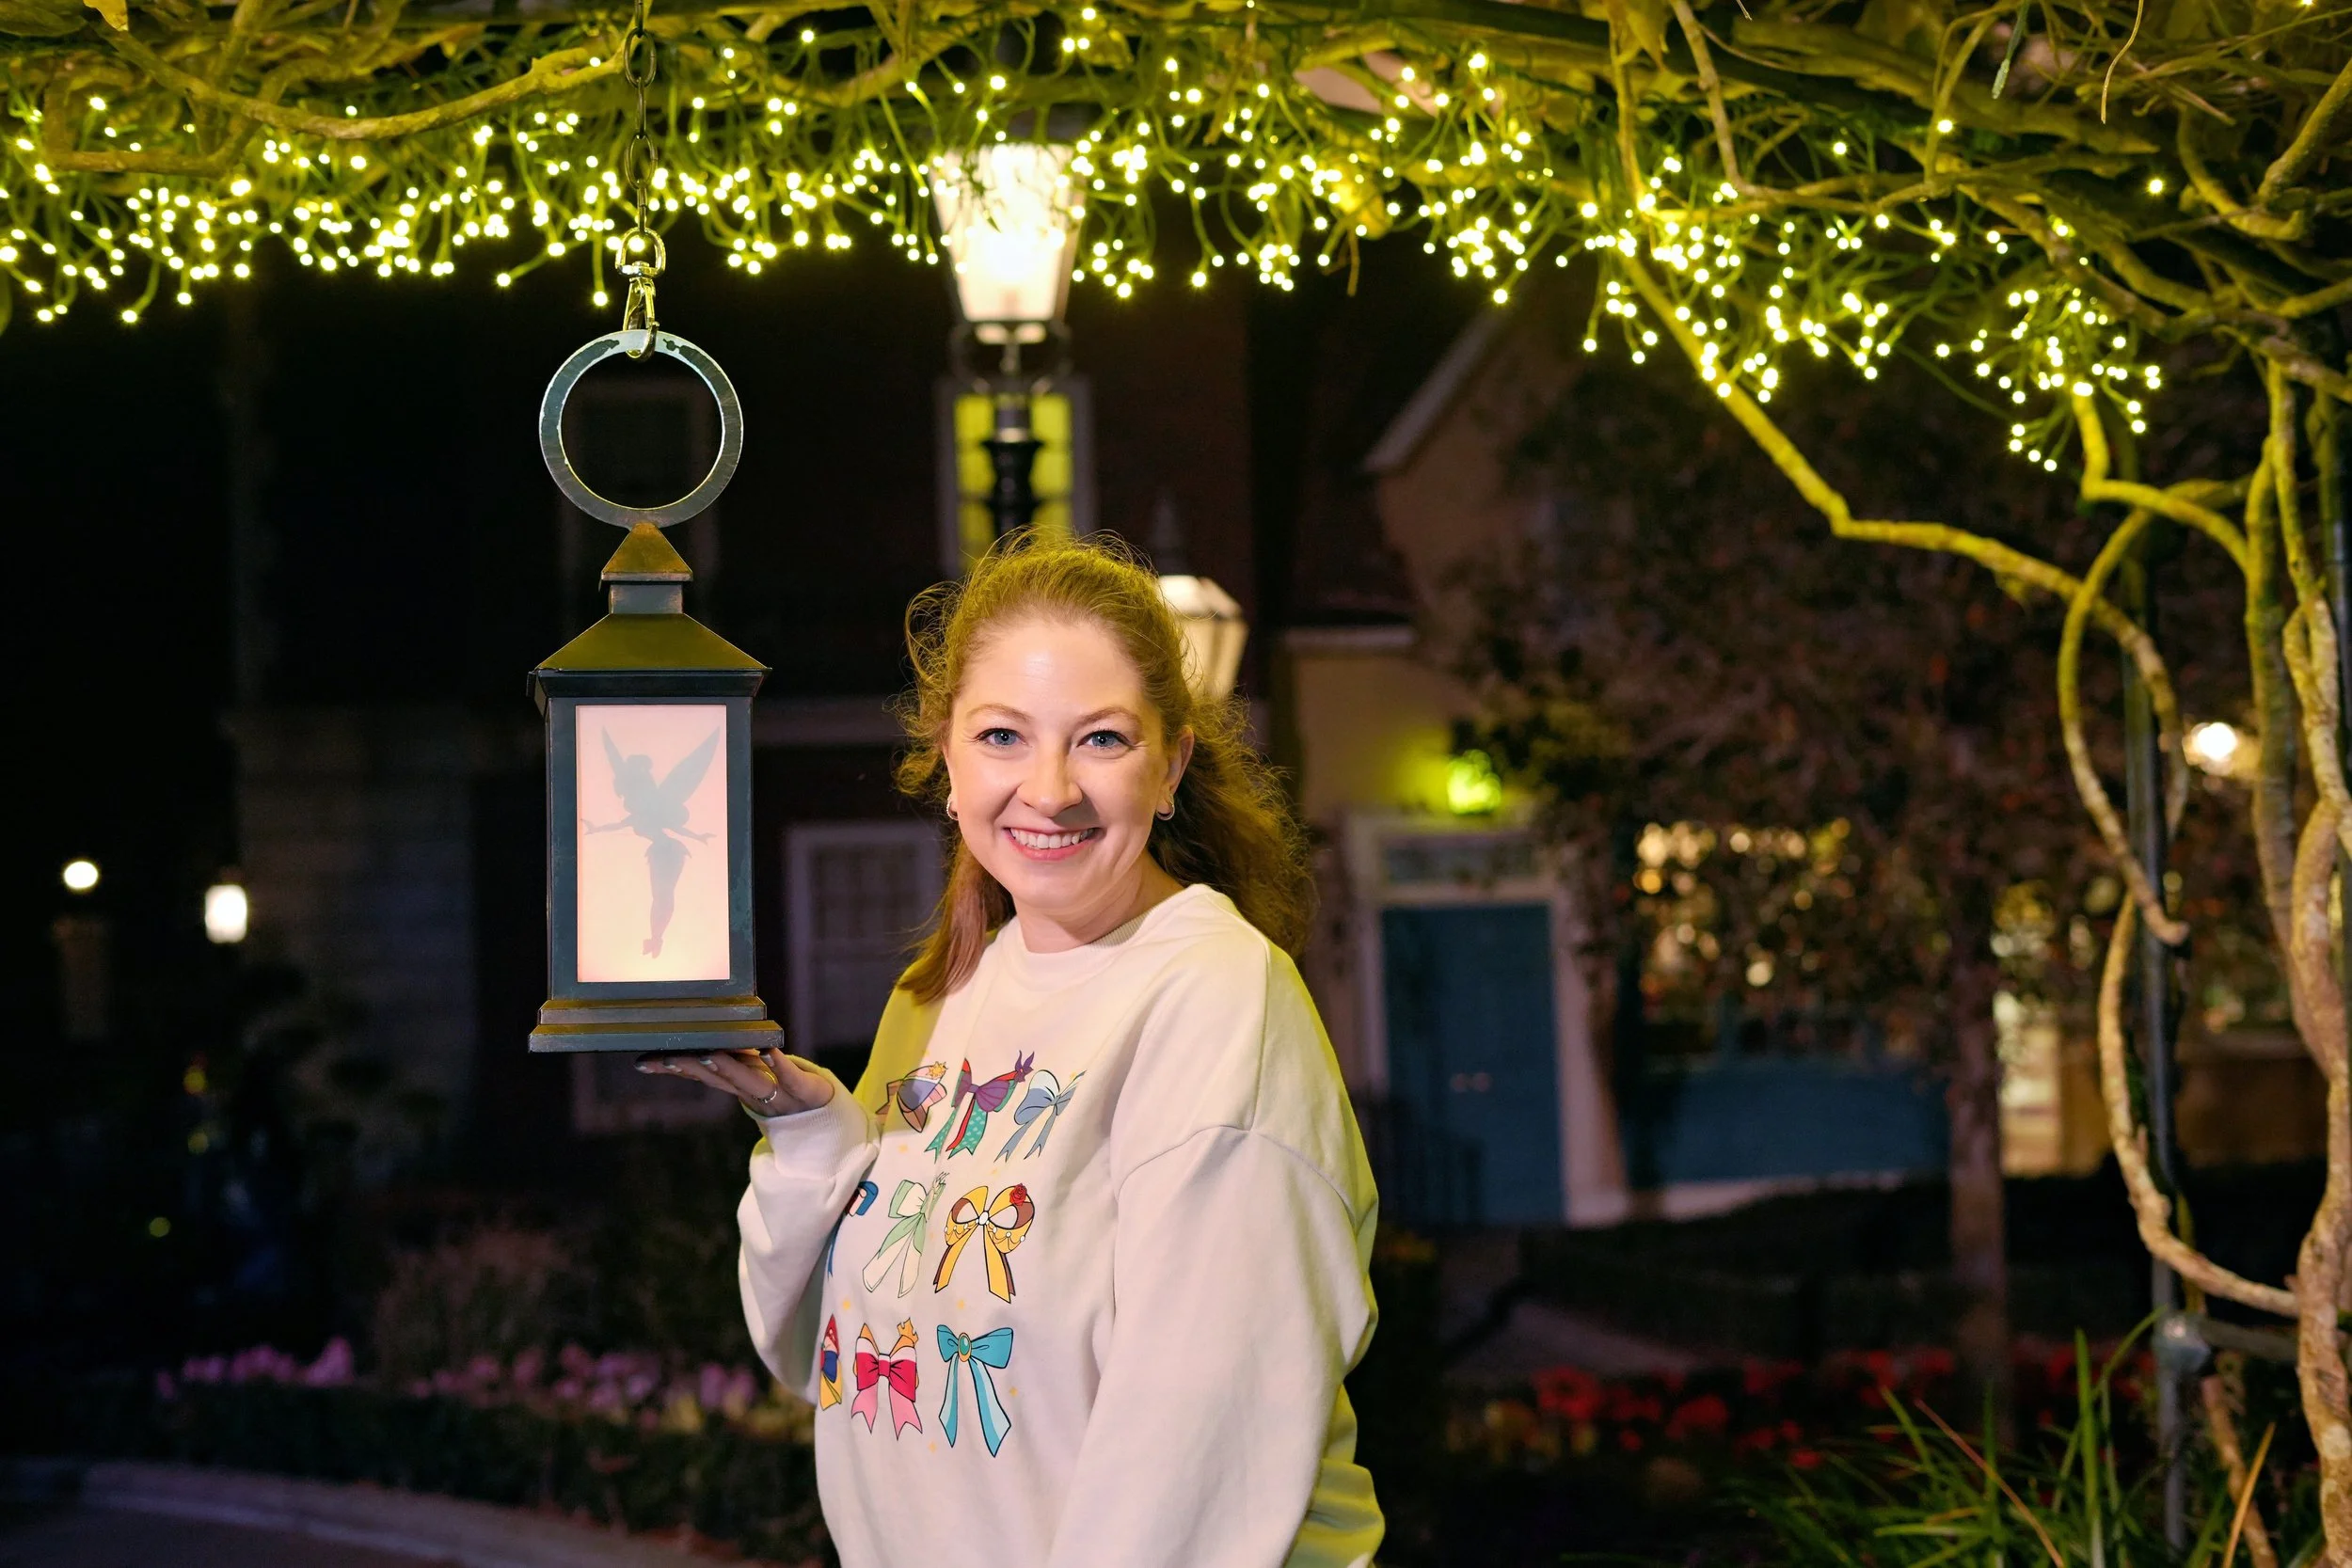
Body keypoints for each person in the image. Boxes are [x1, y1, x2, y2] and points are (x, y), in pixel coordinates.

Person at [645, 533, 1384, 1568]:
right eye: (1001, 735)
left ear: (1169, 766)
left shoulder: (1215, 1002)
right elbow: (833, 1358)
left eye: (1101, 740)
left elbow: (1191, 1468)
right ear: (946, 760)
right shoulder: (943, 996)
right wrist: (812, 1136)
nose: (1048, 788)